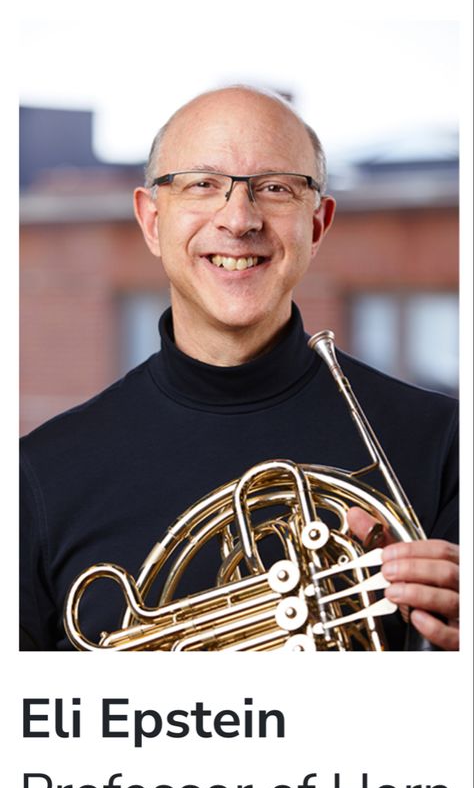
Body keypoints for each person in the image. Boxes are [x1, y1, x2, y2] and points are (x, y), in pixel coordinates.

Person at [20, 86, 459, 651]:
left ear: (318, 224)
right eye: (203, 184)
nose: (240, 218)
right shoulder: (38, 475)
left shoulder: (445, 443)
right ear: (152, 221)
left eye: (275, 188)